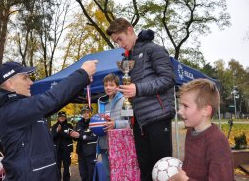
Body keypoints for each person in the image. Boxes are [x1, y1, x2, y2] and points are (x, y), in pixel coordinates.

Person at [0, 60, 97, 181]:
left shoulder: (22, 109)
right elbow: (50, 99)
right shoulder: (9, 109)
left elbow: (54, 103)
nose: (31, 82)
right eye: (25, 78)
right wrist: (82, 74)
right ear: (10, 83)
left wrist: (78, 85)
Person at [106, 17, 175, 181]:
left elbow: (168, 79)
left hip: (158, 118)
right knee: (145, 170)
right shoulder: (126, 60)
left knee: (163, 170)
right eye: (116, 42)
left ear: (130, 30)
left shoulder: (154, 49)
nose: (119, 44)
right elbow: (132, 93)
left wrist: (137, 89)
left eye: (120, 39)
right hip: (139, 123)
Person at [169, 79, 234, 181]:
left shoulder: (217, 141)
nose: (179, 111)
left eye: (185, 106)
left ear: (206, 110)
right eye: (180, 105)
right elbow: (189, 164)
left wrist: (184, 180)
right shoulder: (190, 132)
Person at [97, 73, 129, 180]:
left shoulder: (125, 100)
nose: (108, 88)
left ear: (117, 86)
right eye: (106, 85)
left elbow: (130, 123)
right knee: (108, 175)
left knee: (120, 174)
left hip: (119, 145)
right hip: (104, 145)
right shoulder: (101, 102)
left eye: (111, 85)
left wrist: (115, 124)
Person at [70, 106, 97, 181]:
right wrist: (73, 135)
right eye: (84, 113)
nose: (86, 114)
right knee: (83, 173)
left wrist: (81, 136)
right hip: (81, 152)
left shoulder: (94, 123)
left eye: (87, 112)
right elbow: (76, 137)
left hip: (90, 152)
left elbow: (94, 137)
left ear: (91, 113)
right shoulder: (79, 123)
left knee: (91, 172)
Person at [51, 111, 74, 181]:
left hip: (66, 150)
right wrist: (57, 131)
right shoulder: (54, 126)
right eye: (60, 116)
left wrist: (60, 132)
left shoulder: (69, 126)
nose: (62, 117)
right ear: (58, 118)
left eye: (63, 116)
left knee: (67, 167)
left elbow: (70, 136)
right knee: (57, 167)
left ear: (65, 117)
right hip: (57, 150)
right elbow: (52, 137)